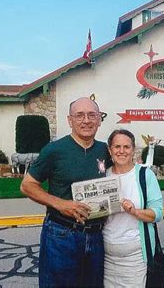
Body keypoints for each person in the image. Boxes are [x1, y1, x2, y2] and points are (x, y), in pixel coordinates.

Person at [20, 97, 111, 287]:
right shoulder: (54, 150)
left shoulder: (105, 150)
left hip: (96, 236)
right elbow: (27, 185)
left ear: (99, 119)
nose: (86, 120)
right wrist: (60, 204)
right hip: (61, 234)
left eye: (92, 115)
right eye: (79, 115)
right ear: (70, 120)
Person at [103, 129, 163, 287]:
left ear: (133, 149)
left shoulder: (145, 176)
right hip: (105, 258)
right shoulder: (103, 177)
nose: (121, 151)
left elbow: (157, 213)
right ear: (110, 150)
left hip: (135, 258)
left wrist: (135, 211)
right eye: (117, 147)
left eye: (126, 147)